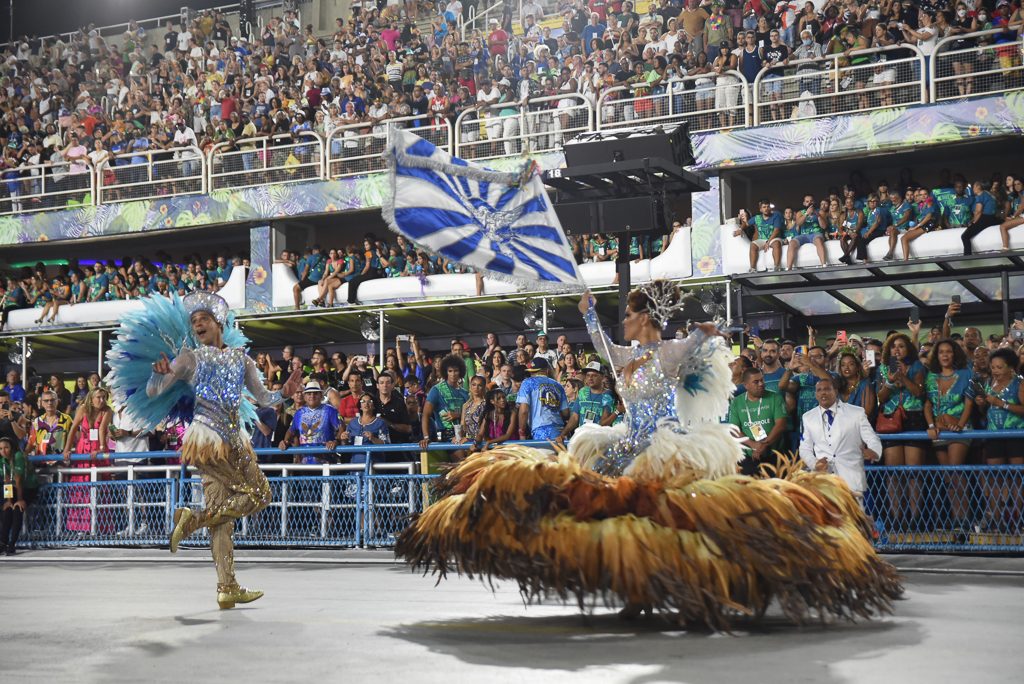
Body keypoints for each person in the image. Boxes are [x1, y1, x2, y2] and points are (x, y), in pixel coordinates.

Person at [397, 281, 901, 627]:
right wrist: (589, 313)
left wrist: (709, 333)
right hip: (626, 443)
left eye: (631, 315)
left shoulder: (671, 351)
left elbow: (708, 346)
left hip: (667, 447)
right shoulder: (624, 356)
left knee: (672, 520)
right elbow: (597, 339)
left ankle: (703, 584)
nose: (627, 323)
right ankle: (639, 589)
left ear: (645, 319)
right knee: (614, 515)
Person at [110, 291, 302, 609]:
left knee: (222, 520)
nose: (198, 324)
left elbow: (265, 398)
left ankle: (226, 587)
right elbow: (154, 390)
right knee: (260, 495)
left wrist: (284, 391)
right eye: (194, 321)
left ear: (219, 324)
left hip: (231, 437)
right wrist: (157, 376)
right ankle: (194, 520)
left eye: (204, 319)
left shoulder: (241, 359)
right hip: (210, 441)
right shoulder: (190, 357)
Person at [799, 376, 882, 500]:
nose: (823, 393)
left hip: (851, 481)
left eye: (827, 389)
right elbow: (805, 448)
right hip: (824, 481)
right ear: (815, 394)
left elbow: (872, 438)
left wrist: (874, 451)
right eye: (819, 390)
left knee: (853, 519)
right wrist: (815, 463)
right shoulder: (808, 417)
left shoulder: (856, 413)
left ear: (836, 392)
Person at [923, 339, 974, 532]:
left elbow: (969, 403)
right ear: (936, 355)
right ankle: (957, 520)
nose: (945, 355)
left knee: (955, 471)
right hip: (938, 429)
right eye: (941, 352)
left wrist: (960, 425)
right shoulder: (930, 376)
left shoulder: (965, 373)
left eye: (949, 352)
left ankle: (964, 519)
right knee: (948, 477)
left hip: (959, 428)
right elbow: (927, 404)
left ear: (955, 354)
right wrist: (930, 424)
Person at [973, 348, 1024, 533]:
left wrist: (1001, 403)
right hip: (993, 435)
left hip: (1016, 435)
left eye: (999, 367)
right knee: (995, 478)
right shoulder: (989, 383)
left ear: (1010, 368)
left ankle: (1016, 518)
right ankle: (996, 518)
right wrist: (982, 405)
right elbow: (985, 412)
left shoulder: (1019, 383)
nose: (995, 370)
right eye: (993, 367)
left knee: (1017, 478)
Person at [730, 367, 788, 475]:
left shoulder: (775, 398)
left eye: (762, 380)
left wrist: (764, 445)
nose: (761, 384)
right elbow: (734, 430)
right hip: (748, 457)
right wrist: (753, 445)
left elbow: (781, 425)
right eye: (756, 382)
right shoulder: (737, 402)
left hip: (774, 455)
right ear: (745, 385)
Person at [279, 381, 342, 465]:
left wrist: (335, 441)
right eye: (309, 393)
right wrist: (285, 441)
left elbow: (341, 427)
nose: (312, 396)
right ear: (305, 396)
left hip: (326, 460)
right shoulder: (299, 413)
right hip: (305, 461)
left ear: (321, 395)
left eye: (315, 393)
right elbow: (291, 430)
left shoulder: (330, 410)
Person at [516, 358, 569, 441]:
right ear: (547, 370)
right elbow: (566, 413)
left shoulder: (527, 382)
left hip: (540, 431)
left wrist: (522, 432)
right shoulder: (558, 385)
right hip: (560, 431)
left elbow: (524, 411)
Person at [1, 435, 38, 554]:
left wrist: (20, 500)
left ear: (12, 447)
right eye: (0, 449)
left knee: (18, 509)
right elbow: (7, 481)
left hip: (28, 488)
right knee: (7, 509)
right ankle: (3, 542)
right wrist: (9, 501)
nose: (3, 451)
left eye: (6, 448)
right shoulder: (2, 461)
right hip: (15, 488)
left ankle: (12, 543)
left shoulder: (18, 456)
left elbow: (18, 480)